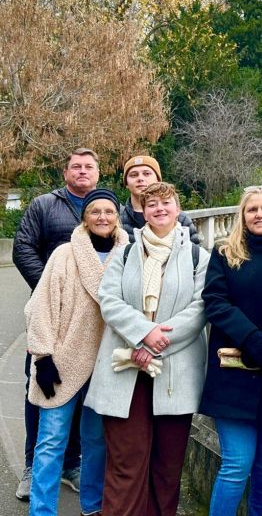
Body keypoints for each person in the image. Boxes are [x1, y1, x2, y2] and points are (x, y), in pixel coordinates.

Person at [85, 181, 209, 516]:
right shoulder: (125, 251)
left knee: (167, 469)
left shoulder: (199, 256)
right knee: (126, 463)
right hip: (124, 371)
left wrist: (156, 344)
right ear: (143, 211)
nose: (159, 209)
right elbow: (108, 300)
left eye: (165, 203)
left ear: (177, 208)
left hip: (174, 372)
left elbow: (200, 309)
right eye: (150, 204)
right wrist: (143, 335)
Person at [25, 189, 127, 516]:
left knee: (96, 445)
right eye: (95, 211)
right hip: (63, 361)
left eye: (108, 211)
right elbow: (40, 307)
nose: (102, 217)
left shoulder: (129, 256)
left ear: (117, 216)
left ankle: (93, 508)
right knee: (51, 441)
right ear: (84, 217)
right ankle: (42, 511)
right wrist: (42, 357)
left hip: (107, 364)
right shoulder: (64, 255)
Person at [12, 147, 99, 500]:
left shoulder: (108, 208)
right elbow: (22, 248)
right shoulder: (44, 206)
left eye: (88, 167)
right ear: (66, 173)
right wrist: (52, 289)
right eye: (75, 166)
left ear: (98, 173)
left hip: (88, 321)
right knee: (40, 386)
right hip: (48, 314)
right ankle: (33, 464)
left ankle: (70, 463)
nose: (82, 171)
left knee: (81, 390)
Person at [199, 186, 262, 516]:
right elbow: (215, 302)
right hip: (232, 376)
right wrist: (251, 338)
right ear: (242, 215)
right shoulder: (224, 254)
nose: (260, 215)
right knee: (236, 465)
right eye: (252, 209)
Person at [120, 154, 200, 244]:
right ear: (126, 183)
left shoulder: (180, 218)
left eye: (146, 174)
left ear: (158, 179)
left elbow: (193, 253)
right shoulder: (118, 219)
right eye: (134, 175)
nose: (140, 178)